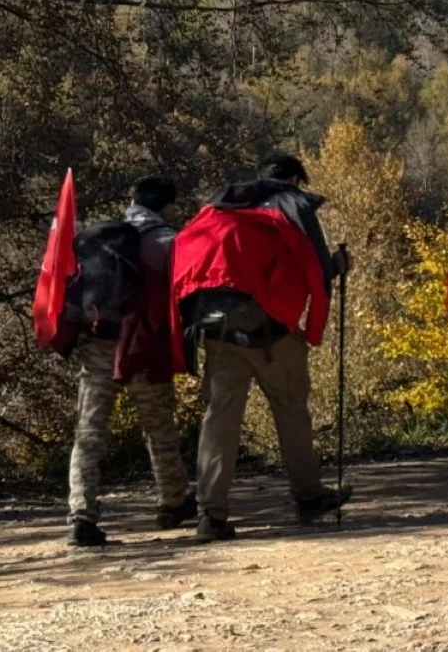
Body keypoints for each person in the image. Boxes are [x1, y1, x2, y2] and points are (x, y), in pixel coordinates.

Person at [174, 155, 353, 544]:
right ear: (293, 179)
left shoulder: (221, 207)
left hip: (218, 328)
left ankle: (210, 515)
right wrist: (313, 331)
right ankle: (308, 497)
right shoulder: (291, 207)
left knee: (219, 421)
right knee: (291, 413)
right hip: (272, 330)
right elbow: (312, 271)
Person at [64, 177, 195, 547]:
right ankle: (173, 501)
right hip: (140, 345)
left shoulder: (104, 237)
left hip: (98, 344)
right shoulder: (164, 240)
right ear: (165, 205)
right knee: (159, 427)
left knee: (89, 434)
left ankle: (81, 514)